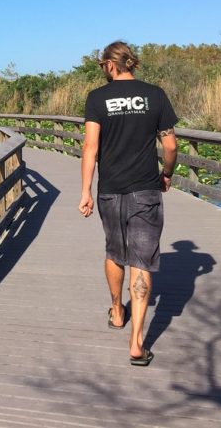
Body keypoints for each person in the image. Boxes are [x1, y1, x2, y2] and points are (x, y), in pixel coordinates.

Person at [77, 41, 178, 367]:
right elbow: (171, 144)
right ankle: (137, 344)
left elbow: (90, 148)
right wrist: (166, 173)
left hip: (110, 191)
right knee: (142, 262)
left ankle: (117, 312)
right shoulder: (155, 94)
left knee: (114, 252)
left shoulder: (97, 98)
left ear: (110, 64)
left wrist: (85, 191)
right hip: (145, 190)